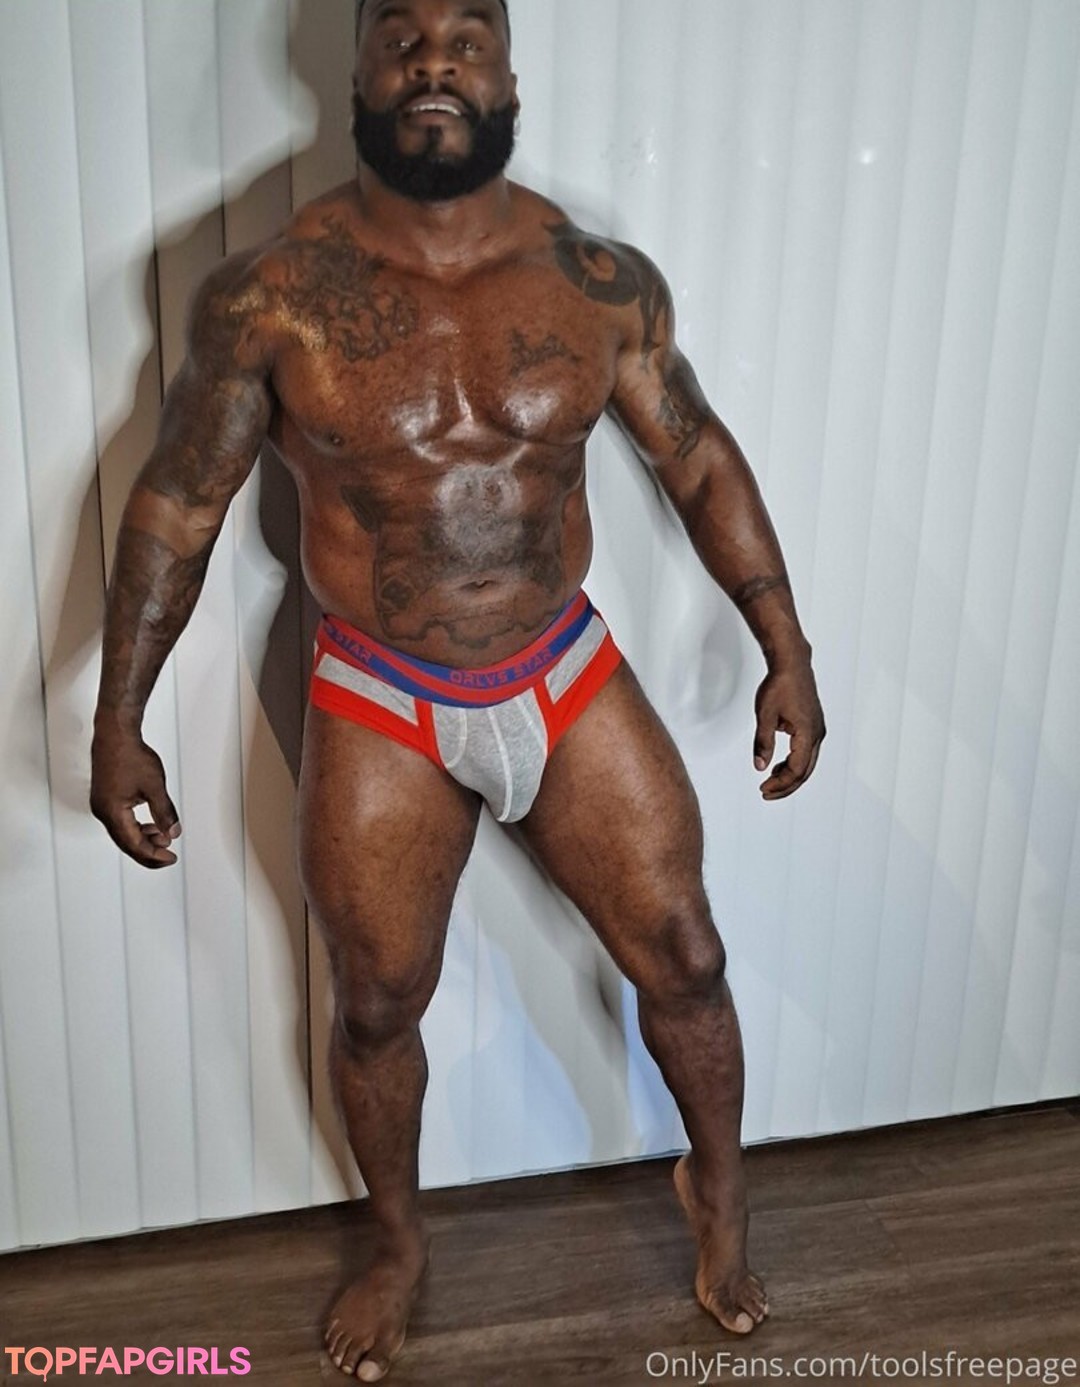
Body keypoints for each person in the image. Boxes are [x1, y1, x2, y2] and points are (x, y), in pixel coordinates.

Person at [90, 0, 826, 1379]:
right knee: (375, 1004)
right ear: (358, 68)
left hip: (561, 668)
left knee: (686, 956)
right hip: (381, 692)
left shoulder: (596, 281)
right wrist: (119, 715)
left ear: (506, 73)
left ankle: (720, 1193)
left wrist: (784, 644)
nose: (434, 59)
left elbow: (698, 460)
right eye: (403, 35)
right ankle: (397, 1244)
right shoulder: (270, 296)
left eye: (466, 37)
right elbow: (179, 504)